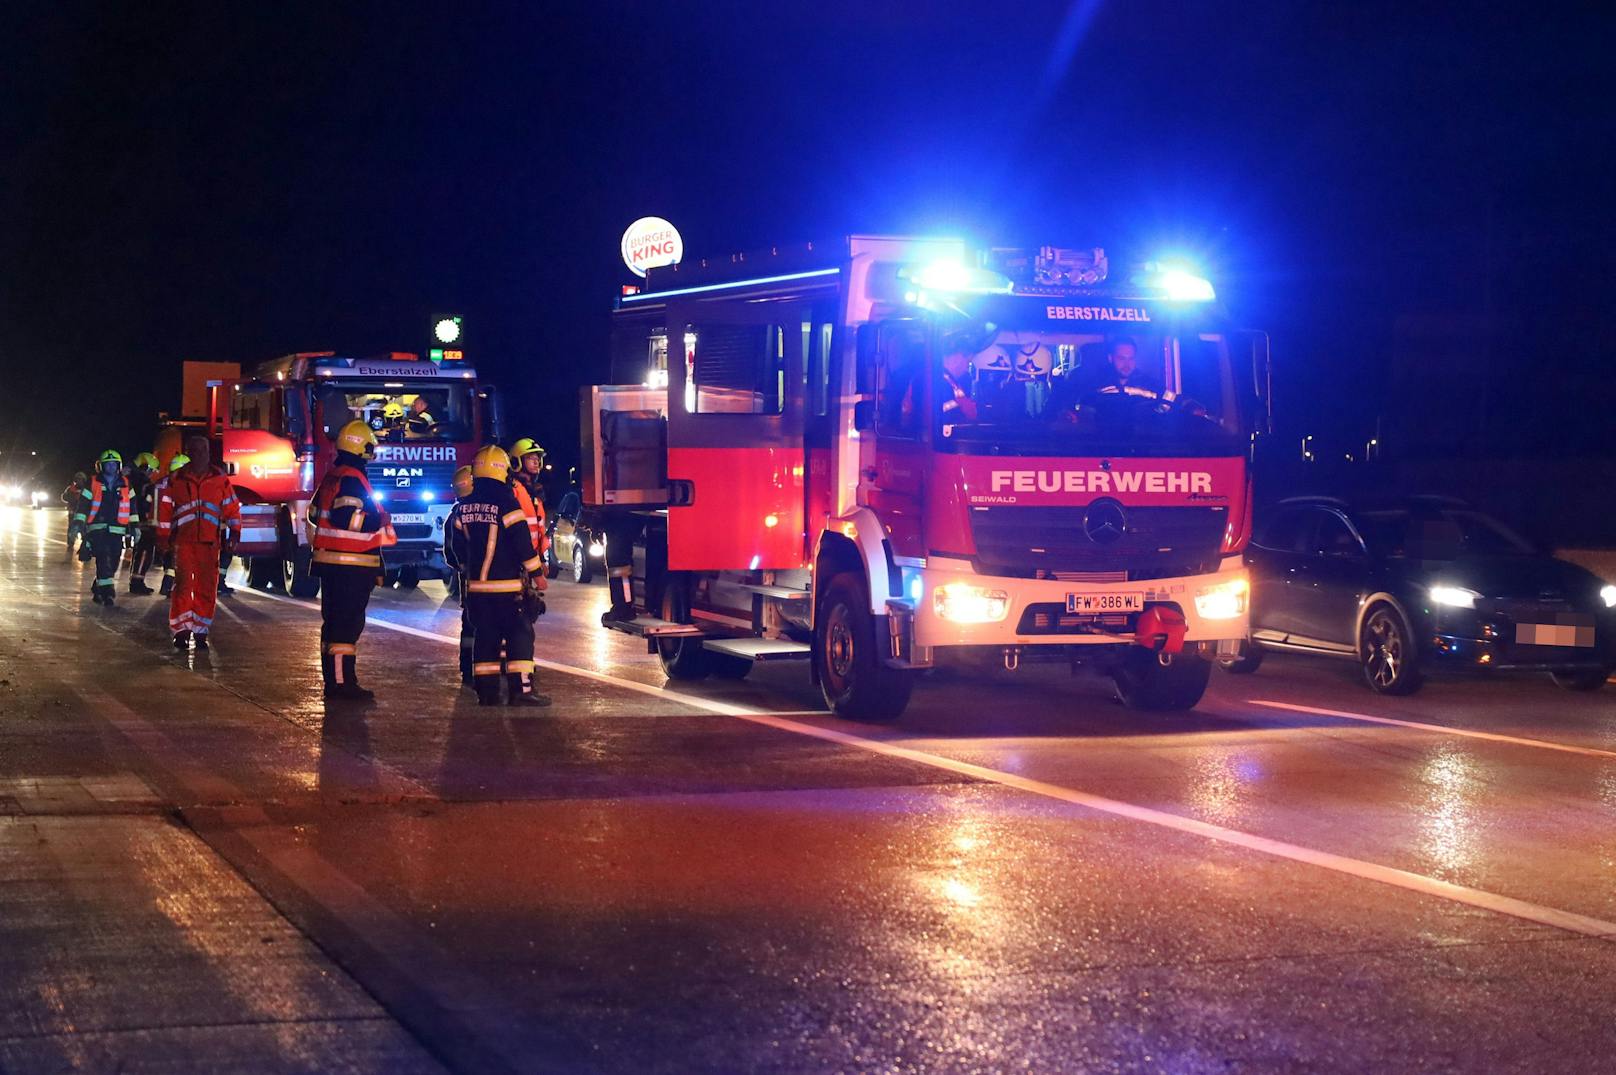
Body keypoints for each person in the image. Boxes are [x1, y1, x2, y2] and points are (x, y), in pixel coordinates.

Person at [451, 445, 550, 707]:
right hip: (506, 589)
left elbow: (457, 547)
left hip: (476, 590)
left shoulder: (464, 506)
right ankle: (522, 691)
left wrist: (468, 570)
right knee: (520, 635)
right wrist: (537, 575)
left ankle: (487, 693)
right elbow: (522, 545)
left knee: (486, 638)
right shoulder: (507, 503)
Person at [308, 420, 394, 700]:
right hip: (350, 566)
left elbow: (314, 513)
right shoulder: (353, 478)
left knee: (334, 625)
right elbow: (346, 518)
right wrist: (379, 519)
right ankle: (342, 684)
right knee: (345, 626)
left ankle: (336, 680)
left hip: (334, 563)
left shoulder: (334, 474)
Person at [157, 437, 240, 649]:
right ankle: (182, 631)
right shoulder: (176, 479)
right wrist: (163, 537)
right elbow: (165, 510)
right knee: (183, 586)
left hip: (209, 543)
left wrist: (235, 533)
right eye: (196, 450)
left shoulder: (220, 479)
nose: (200, 454)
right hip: (183, 542)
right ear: (189, 453)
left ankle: (201, 631)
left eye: (203, 450)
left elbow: (232, 507)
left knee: (207, 587)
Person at [78, 451, 138, 606]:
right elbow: (83, 504)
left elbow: (132, 507)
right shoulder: (92, 482)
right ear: (102, 466)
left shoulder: (126, 483)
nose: (111, 467)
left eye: (114, 464)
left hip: (118, 530)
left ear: (118, 466)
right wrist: (79, 523)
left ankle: (98, 587)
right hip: (97, 528)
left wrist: (135, 527)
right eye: (108, 464)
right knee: (103, 558)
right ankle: (108, 593)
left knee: (115, 560)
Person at [442, 464, 476, 685]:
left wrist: (461, 566)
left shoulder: (456, 513)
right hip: (483, 578)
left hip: (467, 579)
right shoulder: (481, 511)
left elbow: (450, 551)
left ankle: (467, 669)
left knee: (470, 624)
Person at [125, 452, 160, 595]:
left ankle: (136, 581)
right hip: (141, 521)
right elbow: (144, 504)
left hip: (128, 519)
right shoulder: (143, 483)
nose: (152, 474)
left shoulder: (127, 478)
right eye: (151, 470)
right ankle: (137, 582)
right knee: (145, 551)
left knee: (138, 550)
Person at [154, 453, 189, 596]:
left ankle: (168, 586)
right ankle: (170, 587)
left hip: (166, 530)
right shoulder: (176, 486)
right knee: (177, 560)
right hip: (174, 530)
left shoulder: (163, 483)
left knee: (172, 561)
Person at [507, 437, 549, 553]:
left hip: (534, 554)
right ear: (516, 461)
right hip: (517, 556)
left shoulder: (535, 491)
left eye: (538, 458)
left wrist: (541, 558)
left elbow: (539, 527)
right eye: (531, 458)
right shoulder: (511, 489)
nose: (536, 462)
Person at [61, 472, 88, 561]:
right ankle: (71, 543)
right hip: (73, 512)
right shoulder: (70, 489)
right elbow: (64, 497)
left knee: (84, 529)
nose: (79, 481)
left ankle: (85, 544)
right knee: (72, 528)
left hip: (83, 513)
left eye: (81, 480)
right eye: (78, 480)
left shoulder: (86, 489)